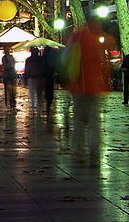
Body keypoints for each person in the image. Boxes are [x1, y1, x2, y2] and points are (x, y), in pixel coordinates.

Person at [65, 18, 113, 167]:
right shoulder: (96, 40)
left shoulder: (75, 38)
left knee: (79, 122)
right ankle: (95, 156)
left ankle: (79, 154)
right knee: (94, 123)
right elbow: (103, 61)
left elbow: (65, 58)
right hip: (93, 87)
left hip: (77, 87)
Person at [24, 47, 44, 113]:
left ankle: (32, 106)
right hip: (38, 77)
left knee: (32, 93)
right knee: (39, 93)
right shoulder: (41, 59)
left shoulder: (28, 60)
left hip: (31, 77)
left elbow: (26, 69)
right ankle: (38, 106)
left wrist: (25, 78)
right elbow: (42, 68)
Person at [1, 47, 17, 111]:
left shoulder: (4, 58)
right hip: (10, 74)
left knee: (10, 89)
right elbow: (12, 64)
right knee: (10, 89)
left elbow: (5, 65)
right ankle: (11, 103)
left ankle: (10, 103)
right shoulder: (7, 58)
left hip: (8, 74)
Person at [42, 46, 56, 116]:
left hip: (45, 78)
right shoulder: (51, 59)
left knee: (47, 92)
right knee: (50, 92)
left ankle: (48, 106)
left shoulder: (43, 59)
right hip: (50, 77)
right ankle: (49, 105)